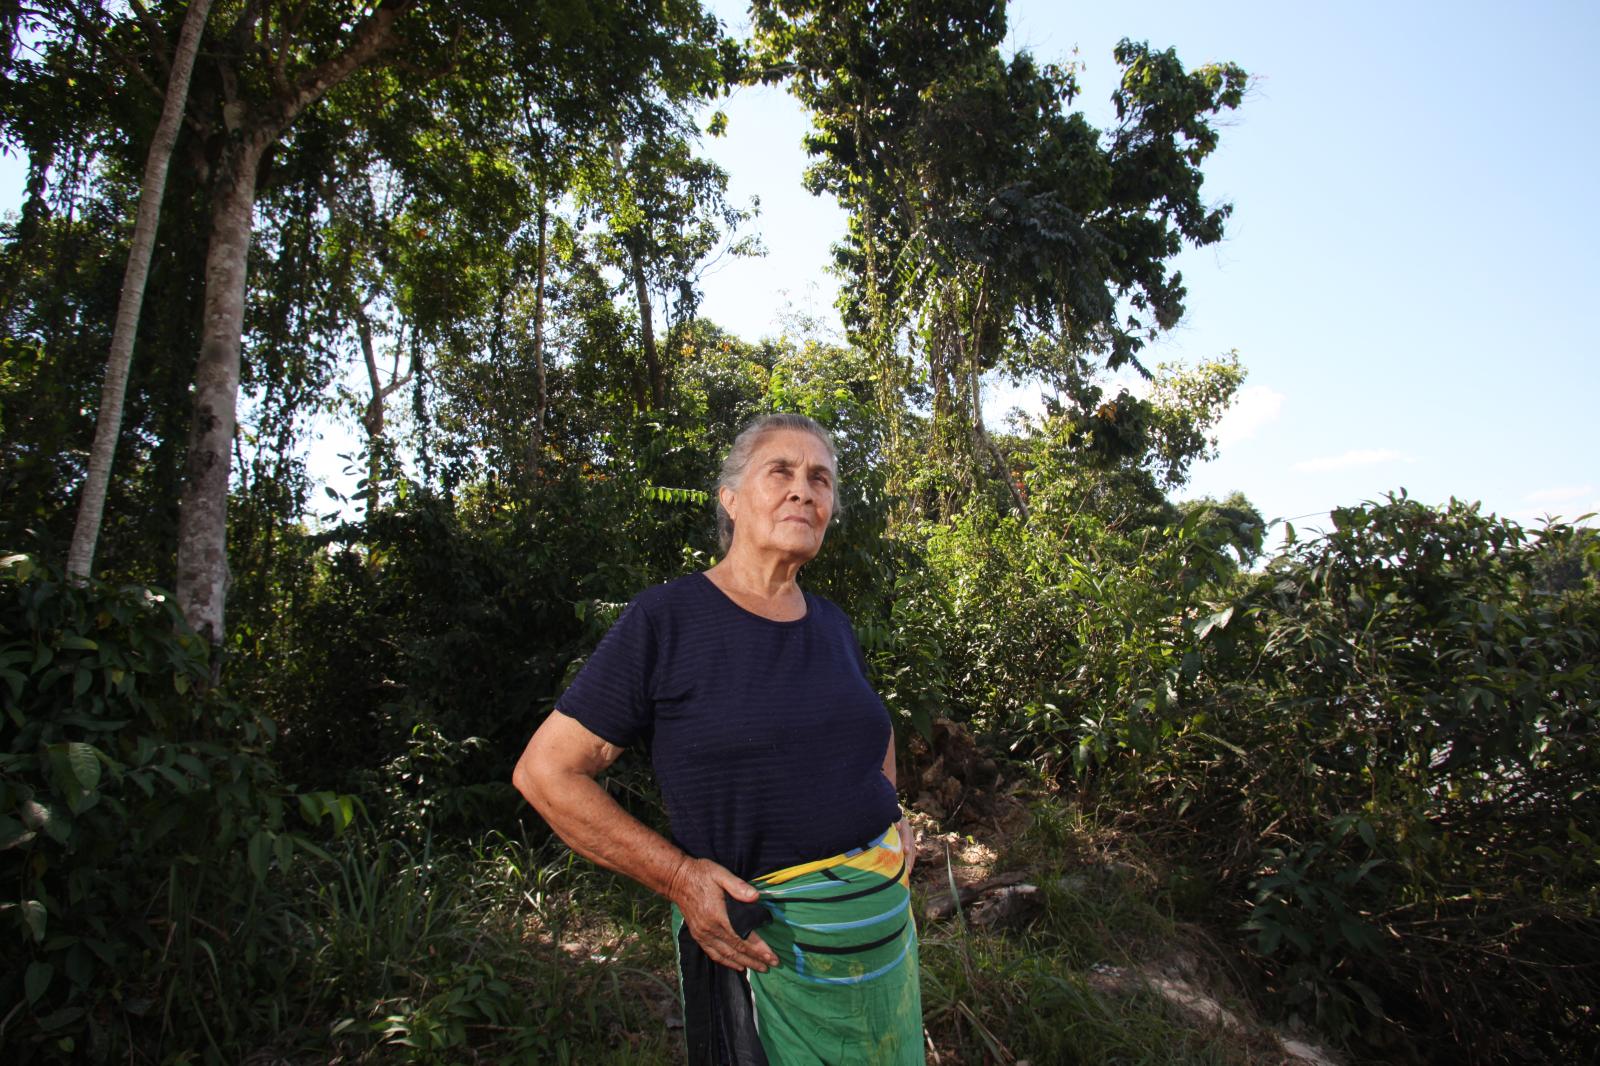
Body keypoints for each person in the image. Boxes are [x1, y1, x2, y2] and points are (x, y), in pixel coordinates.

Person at [512, 412, 922, 1065]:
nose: (803, 491)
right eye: (780, 471)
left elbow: (872, 729)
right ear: (730, 499)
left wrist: (889, 816)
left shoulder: (834, 625)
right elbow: (546, 772)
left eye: (820, 479)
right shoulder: (668, 620)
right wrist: (679, 878)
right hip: (764, 962)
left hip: (881, 964)